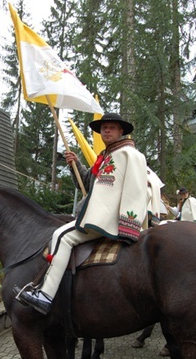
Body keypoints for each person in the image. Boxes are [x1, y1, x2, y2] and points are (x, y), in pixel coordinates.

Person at [14, 113, 148, 315]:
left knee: (61, 236)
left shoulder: (130, 155)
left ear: (121, 131)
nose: (107, 131)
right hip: (97, 214)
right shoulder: (106, 156)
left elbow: (137, 190)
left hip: (106, 219)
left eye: (112, 127)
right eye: (104, 128)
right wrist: (75, 164)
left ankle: (45, 295)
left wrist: (128, 225)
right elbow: (89, 187)